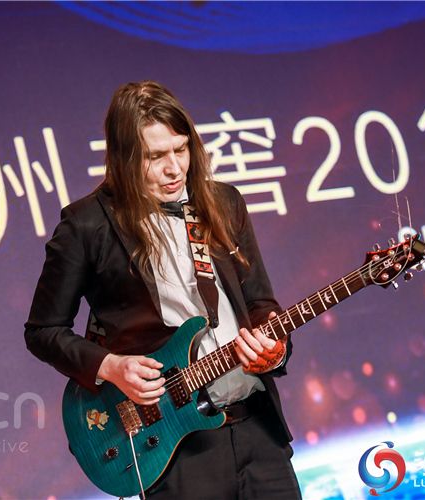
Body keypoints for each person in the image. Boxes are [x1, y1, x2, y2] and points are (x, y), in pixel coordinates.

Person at [25, 81, 301, 499]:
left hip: (258, 428)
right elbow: (43, 331)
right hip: (174, 446)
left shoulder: (224, 202)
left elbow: (260, 302)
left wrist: (274, 347)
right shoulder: (87, 225)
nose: (175, 169)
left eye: (181, 149)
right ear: (123, 158)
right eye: (155, 157)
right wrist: (111, 367)